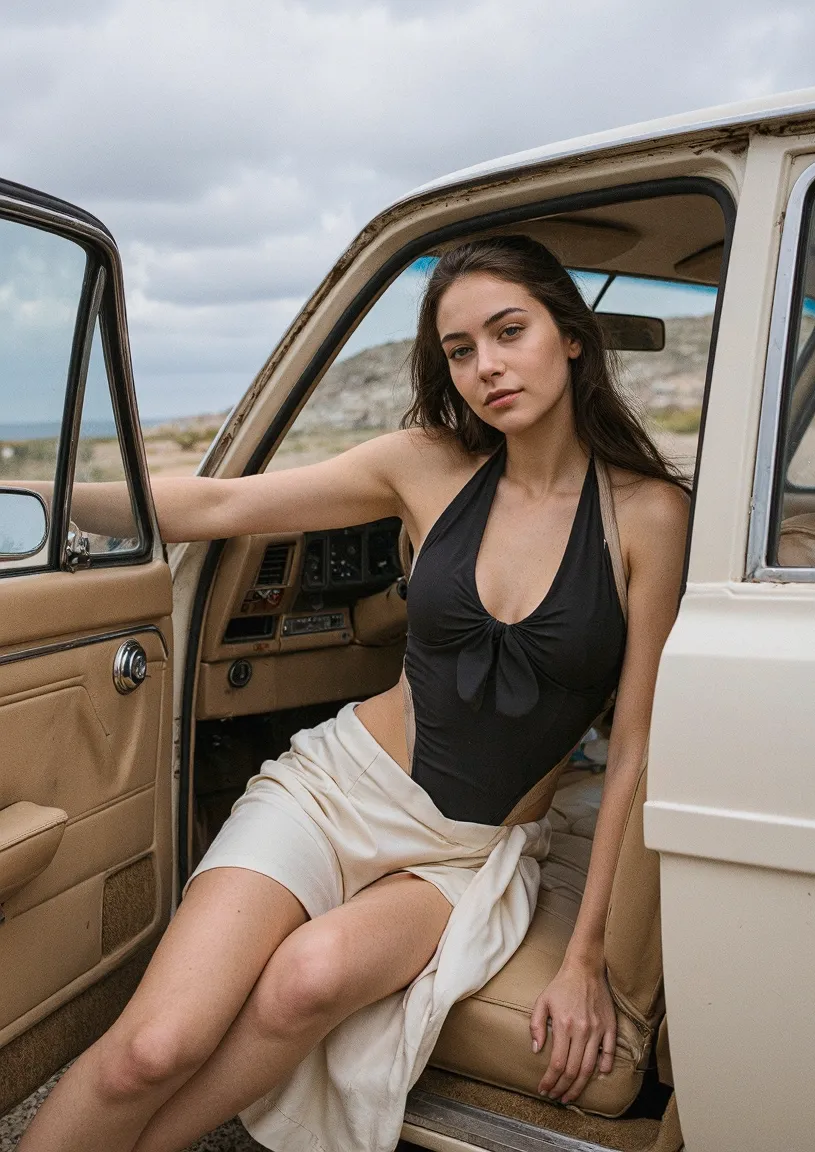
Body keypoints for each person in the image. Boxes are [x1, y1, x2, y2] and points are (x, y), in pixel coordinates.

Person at [19, 234, 689, 1152]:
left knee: (307, 981)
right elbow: (217, 507)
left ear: (569, 336)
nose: (486, 366)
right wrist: (34, 495)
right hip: (337, 789)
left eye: (509, 331)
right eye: (460, 351)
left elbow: (637, 752)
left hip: (464, 854)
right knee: (151, 1049)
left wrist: (587, 961)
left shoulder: (651, 514)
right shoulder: (422, 466)